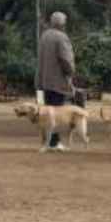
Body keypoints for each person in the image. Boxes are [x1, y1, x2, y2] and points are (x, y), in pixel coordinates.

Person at [36, 11, 76, 152]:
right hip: (57, 82)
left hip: (44, 81)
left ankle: (47, 141)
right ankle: (54, 142)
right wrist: (71, 73)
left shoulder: (44, 36)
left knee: (46, 112)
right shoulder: (61, 38)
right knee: (57, 114)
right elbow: (65, 60)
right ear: (62, 24)